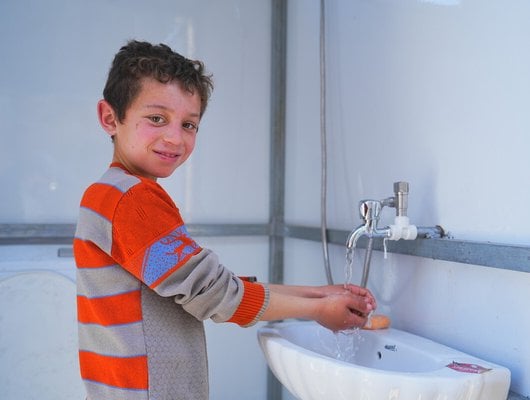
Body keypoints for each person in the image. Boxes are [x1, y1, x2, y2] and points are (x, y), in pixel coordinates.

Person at [74, 40, 376, 400]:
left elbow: (209, 285)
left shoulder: (110, 194)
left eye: (189, 124)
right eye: (157, 119)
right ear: (111, 117)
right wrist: (318, 309)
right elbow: (216, 296)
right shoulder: (133, 200)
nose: (175, 137)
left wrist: (320, 294)